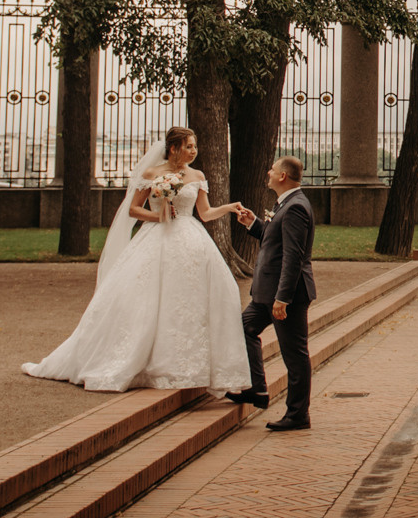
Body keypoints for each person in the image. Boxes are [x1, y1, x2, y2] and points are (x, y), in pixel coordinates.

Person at [23, 127, 252, 393]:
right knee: (146, 299)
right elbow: (133, 209)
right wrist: (159, 216)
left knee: (189, 300)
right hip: (156, 238)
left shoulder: (197, 175)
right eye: (189, 146)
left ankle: (184, 365)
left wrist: (229, 207)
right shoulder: (152, 174)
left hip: (191, 240)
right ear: (174, 147)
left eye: (195, 146)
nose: (193, 151)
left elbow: (205, 212)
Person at [228, 155, 319, 430]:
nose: (268, 172)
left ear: (283, 177)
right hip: (267, 293)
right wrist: (253, 224)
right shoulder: (287, 204)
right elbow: (276, 239)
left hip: (285, 295)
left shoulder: (296, 207)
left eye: (273, 169)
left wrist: (283, 298)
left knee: (294, 354)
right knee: (242, 328)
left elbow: (293, 256)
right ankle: (256, 388)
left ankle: (298, 415)